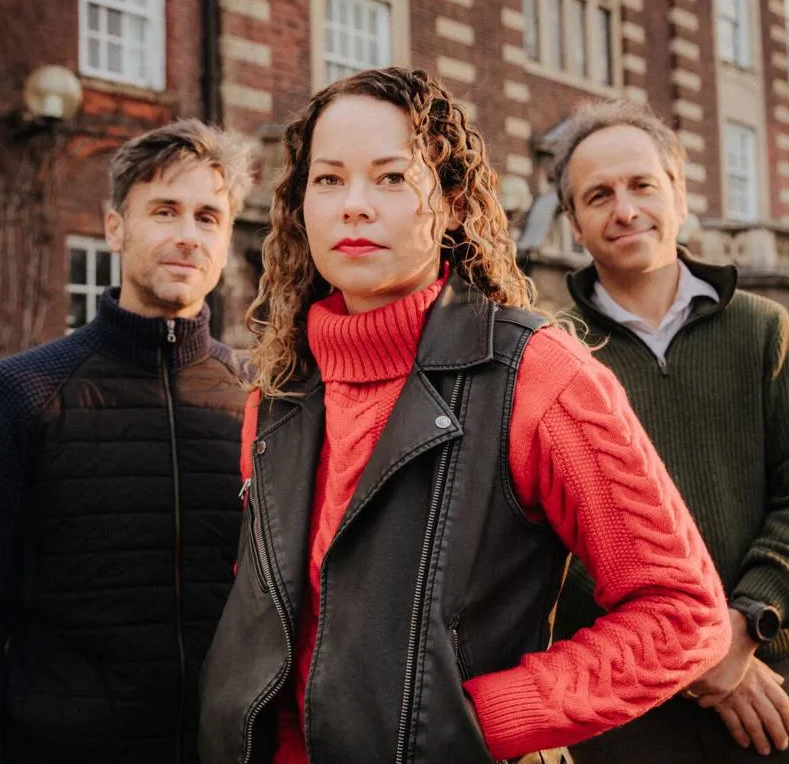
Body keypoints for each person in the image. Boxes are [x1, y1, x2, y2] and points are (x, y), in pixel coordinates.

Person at [198, 67, 731, 764]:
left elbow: (682, 613)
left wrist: (479, 720)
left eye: (391, 177)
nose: (354, 205)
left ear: (451, 202)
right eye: (328, 180)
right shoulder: (278, 390)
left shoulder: (540, 376)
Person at [0, 120, 254, 762]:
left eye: (209, 217)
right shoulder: (22, 391)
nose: (188, 235)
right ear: (114, 228)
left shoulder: (261, 395)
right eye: (165, 210)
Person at [548, 100, 789, 762]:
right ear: (574, 223)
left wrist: (741, 630)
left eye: (641, 185)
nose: (624, 209)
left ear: (680, 195)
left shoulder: (762, 329)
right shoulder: (548, 355)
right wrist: (687, 656)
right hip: (631, 707)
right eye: (598, 195)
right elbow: (551, 545)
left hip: (772, 679)